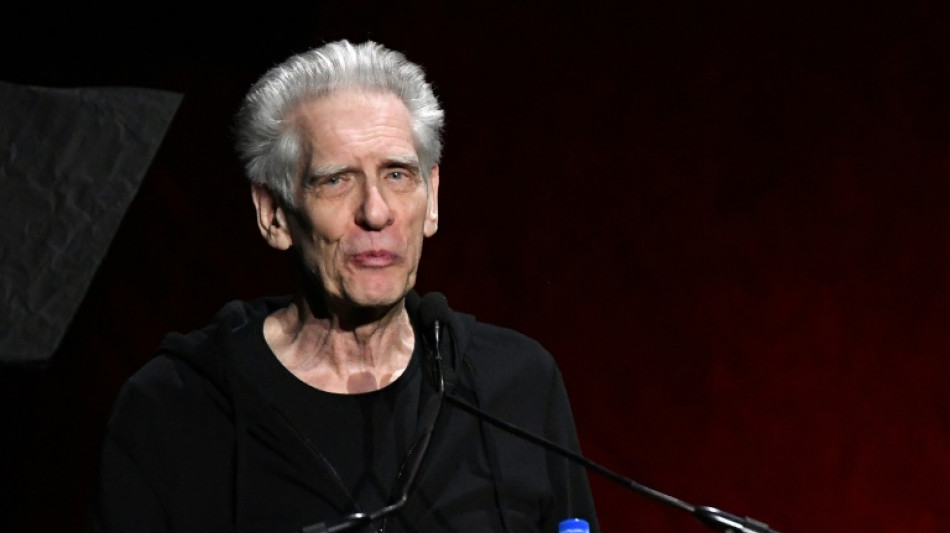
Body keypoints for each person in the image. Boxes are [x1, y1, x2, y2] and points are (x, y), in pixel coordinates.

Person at [87, 39, 599, 533]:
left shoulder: (515, 386)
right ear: (273, 214)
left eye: (398, 175)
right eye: (336, 180)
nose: (376, 212)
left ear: (433, 197)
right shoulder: (175, 409)